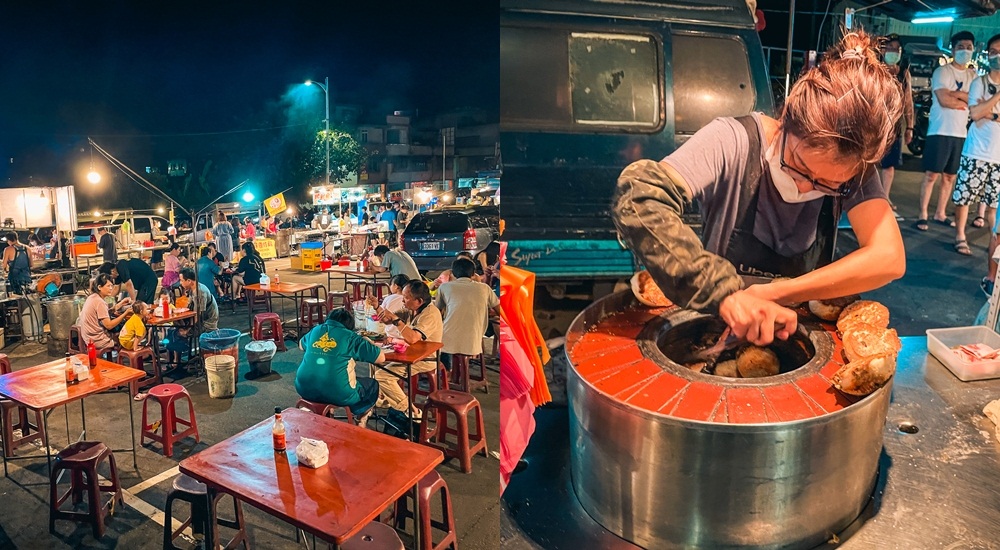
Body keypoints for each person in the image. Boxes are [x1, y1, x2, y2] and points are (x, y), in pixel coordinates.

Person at [612, 30, 905, 346]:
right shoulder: (731, 141)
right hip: (714, 327)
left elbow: (888, 258)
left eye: (828, 185)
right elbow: (639, 195)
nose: (803, 186)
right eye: (798, 165)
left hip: (797, 336)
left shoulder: (853, 163)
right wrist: (724, 294)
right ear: (787, 118)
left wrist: (778, 292)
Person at [915, 30, 977, 231]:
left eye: (969, 47)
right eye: (961, 47)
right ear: (952, 49)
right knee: (932, 174)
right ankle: (923, 213)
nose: (965, 51)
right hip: (940, 130)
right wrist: (964, 98)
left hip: (961, 133)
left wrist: (957, 95)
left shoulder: (973, 75)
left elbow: (975, 102)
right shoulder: (942, 72)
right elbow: (943, 99)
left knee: (950, 176)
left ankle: (940, 213)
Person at [296, 308, 387, 428]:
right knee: (371, 385)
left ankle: (326, 414)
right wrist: (367, 342)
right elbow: (381, 358)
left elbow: (301, 346)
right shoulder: (351, 337)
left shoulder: (316, 330)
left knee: (337, 377)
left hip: (303, 388)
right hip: (338, 393)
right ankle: (359, 416)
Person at [954, 33, 1000, 258]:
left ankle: (994, 242)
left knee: (994, 205)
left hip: (998, 157)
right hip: (975, 152)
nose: (997, 56)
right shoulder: (979, 83)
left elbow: (983, 112)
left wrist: (987, 110)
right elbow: (975, 112)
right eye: (993, 52)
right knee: (964, 197)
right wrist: (997, 100)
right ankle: (960, 236)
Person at [374, 280, 443, 422]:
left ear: (419, 301)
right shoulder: (411, 308)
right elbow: (388, 319)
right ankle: (386, 398)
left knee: (382, 376)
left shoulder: (430, 314)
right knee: (374, 360)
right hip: (411, 353)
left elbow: (412, 338)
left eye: (406, 297)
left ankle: (411, 410)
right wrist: (377, 307)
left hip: (425, 358)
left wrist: (396, 320)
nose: (403, 300)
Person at [434, 257, 500, 369]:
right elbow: (500, 311)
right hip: (474, 341)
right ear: (473, 273)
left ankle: (447, 374)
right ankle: (456, 373)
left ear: (453, 273)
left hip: (448, 341)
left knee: (439, 338)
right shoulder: (485, 288)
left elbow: (437, 312)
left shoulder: (444, 287)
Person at [879, 34, 915, 210]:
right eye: (890, 48)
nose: (893, 52)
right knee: (868, 165)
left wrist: (910, 126)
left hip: (894, 127)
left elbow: (908, 102)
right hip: (875, 125)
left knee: (889, 166)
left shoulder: (904, 73)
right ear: (882, 50)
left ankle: (885, 197)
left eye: (897, 49)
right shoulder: (874, 70)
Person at [78, 273, 132, 350]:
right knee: (125, 332)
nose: (111, 288)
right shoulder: (100, 302)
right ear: (99, 287)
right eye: (108, 286)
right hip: (97, 340)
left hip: (88, 338)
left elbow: (104, 313)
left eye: (111, 286)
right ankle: (122, 358)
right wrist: (125, 313)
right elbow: (109, 325)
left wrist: (120, 304)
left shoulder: (92, 297)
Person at [179, 267, 219, 332]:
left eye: (181, 280)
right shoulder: (192, 289)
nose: (180, 283)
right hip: (199, 320)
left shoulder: (200, 292)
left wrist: (189, 330)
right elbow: (189, 307)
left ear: (189, 281)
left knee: (180, 333)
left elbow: (198, 315)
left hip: (207, 324)